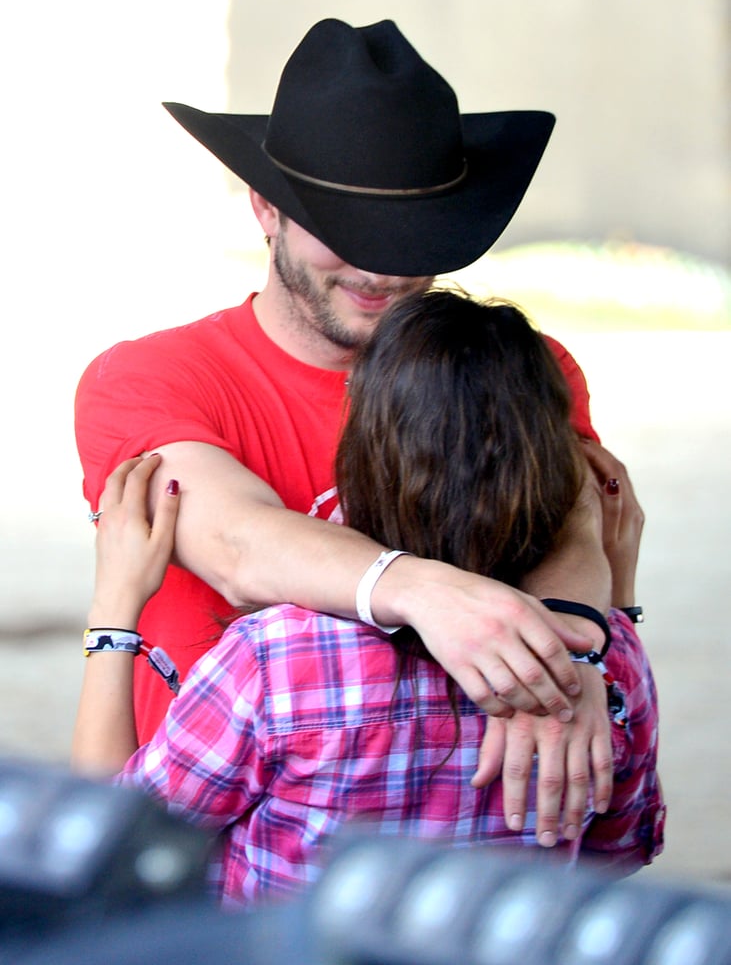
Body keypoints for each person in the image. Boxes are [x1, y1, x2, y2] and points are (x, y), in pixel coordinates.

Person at [75, 17, 616, 835]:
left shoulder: (520, 366)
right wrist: (428, 592)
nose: (381, 267)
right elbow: (235, 545)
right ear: (265, 207)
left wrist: (571, 657)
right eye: (345, 231)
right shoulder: (149, 378)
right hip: (199, 846)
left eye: (410, 233)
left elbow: (579, 517)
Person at [72, 291, 664, 908]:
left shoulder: (273, 664)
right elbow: (619, 851)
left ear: (360, 456)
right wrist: (618, 608)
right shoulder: (599, 658)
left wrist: (114, 608)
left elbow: (104, 848)